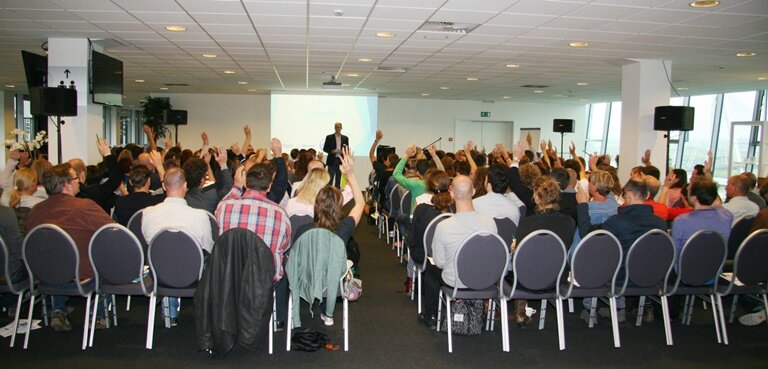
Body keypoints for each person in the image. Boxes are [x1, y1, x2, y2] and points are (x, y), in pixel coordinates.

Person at [26, 163, 115, 331]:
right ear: (66, 185)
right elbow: (114, 231)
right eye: (75, 179)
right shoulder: (84, 207)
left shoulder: (35, 210)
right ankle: (98, 315)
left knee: (57, 258)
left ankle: (58, 310)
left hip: (44, 276)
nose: (79, 182)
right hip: (79, 277)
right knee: (105, 259)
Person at [215, 142, 292, 328]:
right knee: (285, 260)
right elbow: (285, 245)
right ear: (269, 186)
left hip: (230, 272)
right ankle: (279, 320)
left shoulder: (224, 208)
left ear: (245, 183)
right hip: (265, 276)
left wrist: (235, 185)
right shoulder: (279, 214)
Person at [575, 178, 667, 323]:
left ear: (629, 194)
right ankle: (618, 309)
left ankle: (590, 309)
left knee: (597, 254)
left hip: (621, 279)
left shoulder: (618, 222)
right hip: (652, 278)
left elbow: (587, 234)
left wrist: (582, 205)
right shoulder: (660, 223)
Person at [418, 175, 496, 329]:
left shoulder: (444, 226)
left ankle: (431, 315)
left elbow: (439, 262)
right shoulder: (490, 223)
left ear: (451, 193)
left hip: (455, 282)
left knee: (430, 268)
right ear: (473, 191)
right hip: (484, 280)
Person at [142, 167, 213, 326]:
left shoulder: (148, 214)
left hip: (159, 274)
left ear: (164, 186)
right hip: (193, 275)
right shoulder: (199, 216)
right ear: (185, 186)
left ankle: (170, 312)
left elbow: (150, 243)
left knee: (166, 255)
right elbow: (208, 248)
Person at [671, 179, 732, 261]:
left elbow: (675, 253)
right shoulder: (727, 216)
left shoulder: (681, 221)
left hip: (684, 271)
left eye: (688, 191)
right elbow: (717, 203)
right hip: (715, 270)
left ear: (695, 198)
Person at [70, 136, 122, 213]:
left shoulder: (62, 194)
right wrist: (107, 154)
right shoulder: (93, 192)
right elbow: (115, 178)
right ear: (83, 175)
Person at [183, 146, 233, 214]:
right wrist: (223, 164)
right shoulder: (211, 196)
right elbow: (229, 189)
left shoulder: (182, 197)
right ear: (202, 180)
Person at [322, 122, 349, 188]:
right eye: (336, 127)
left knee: (338, 179)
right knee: (330, 179)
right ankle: (328, 194)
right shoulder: (329, 137)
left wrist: (343, 152)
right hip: (332, 160)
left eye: (339, 127)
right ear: (334, 128)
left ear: (341, 128)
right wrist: (332, 151)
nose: (337, 128)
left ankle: (337, 195)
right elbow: (325, 148)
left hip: (340, 160)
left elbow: (346, 149)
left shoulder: (345, 138)